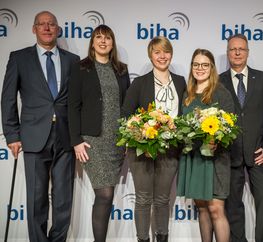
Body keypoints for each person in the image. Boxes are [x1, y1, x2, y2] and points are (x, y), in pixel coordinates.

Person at [1, 11, 79, 242]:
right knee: (36, 199)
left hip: (65, 137)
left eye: (51, 24)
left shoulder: (72, 60)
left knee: (64, 199)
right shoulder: (19, 58)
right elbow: (7, 99)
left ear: (58, 29)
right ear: (34, 29)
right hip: (33, 137)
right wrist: (12, 135)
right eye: (42, 24)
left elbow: (77, 102)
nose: (47, 28)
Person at [68, 24, 130, 242]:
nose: (103, 41)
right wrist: (76, 141)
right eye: (99, 37)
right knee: (105, 194)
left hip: (116, 141)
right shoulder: (81, 68)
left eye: (108, 38)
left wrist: (126, 139)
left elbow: (126, 106)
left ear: (112, 42)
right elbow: (73, 106)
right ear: (92, 42)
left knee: (107, 195)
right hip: (92, 141)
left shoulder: (121, 70)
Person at [121, 36, 186, 242]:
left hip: (170, 149)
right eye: (157, 52)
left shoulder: (180, 81)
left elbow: (184, 115)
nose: (162, 56)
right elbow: (125, 115)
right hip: (142, 150)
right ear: (151, 55)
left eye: (165, 52)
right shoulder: (140, 83)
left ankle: (162, 238)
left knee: (162, 199)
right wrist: (139, 135)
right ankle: (142, 239)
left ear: (171, 54)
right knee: (143, 199)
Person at [219, 34, 263, 242]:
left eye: (241, 49)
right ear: (228, 53)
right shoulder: (218, 81)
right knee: (232, 207)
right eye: (233, 49)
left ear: (248, 52)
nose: (237, 52)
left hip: (259, 155)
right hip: (229, 155)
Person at [177, 49, 234, 242]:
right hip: (194, 158)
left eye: (204, 65)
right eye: (196, 64)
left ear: (212, 68)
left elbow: (231, 127)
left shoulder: (221, 93)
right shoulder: (188, 93)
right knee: (202, 208)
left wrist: (217, 140)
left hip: (216, 160)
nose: (200, 68)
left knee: (216, 209)